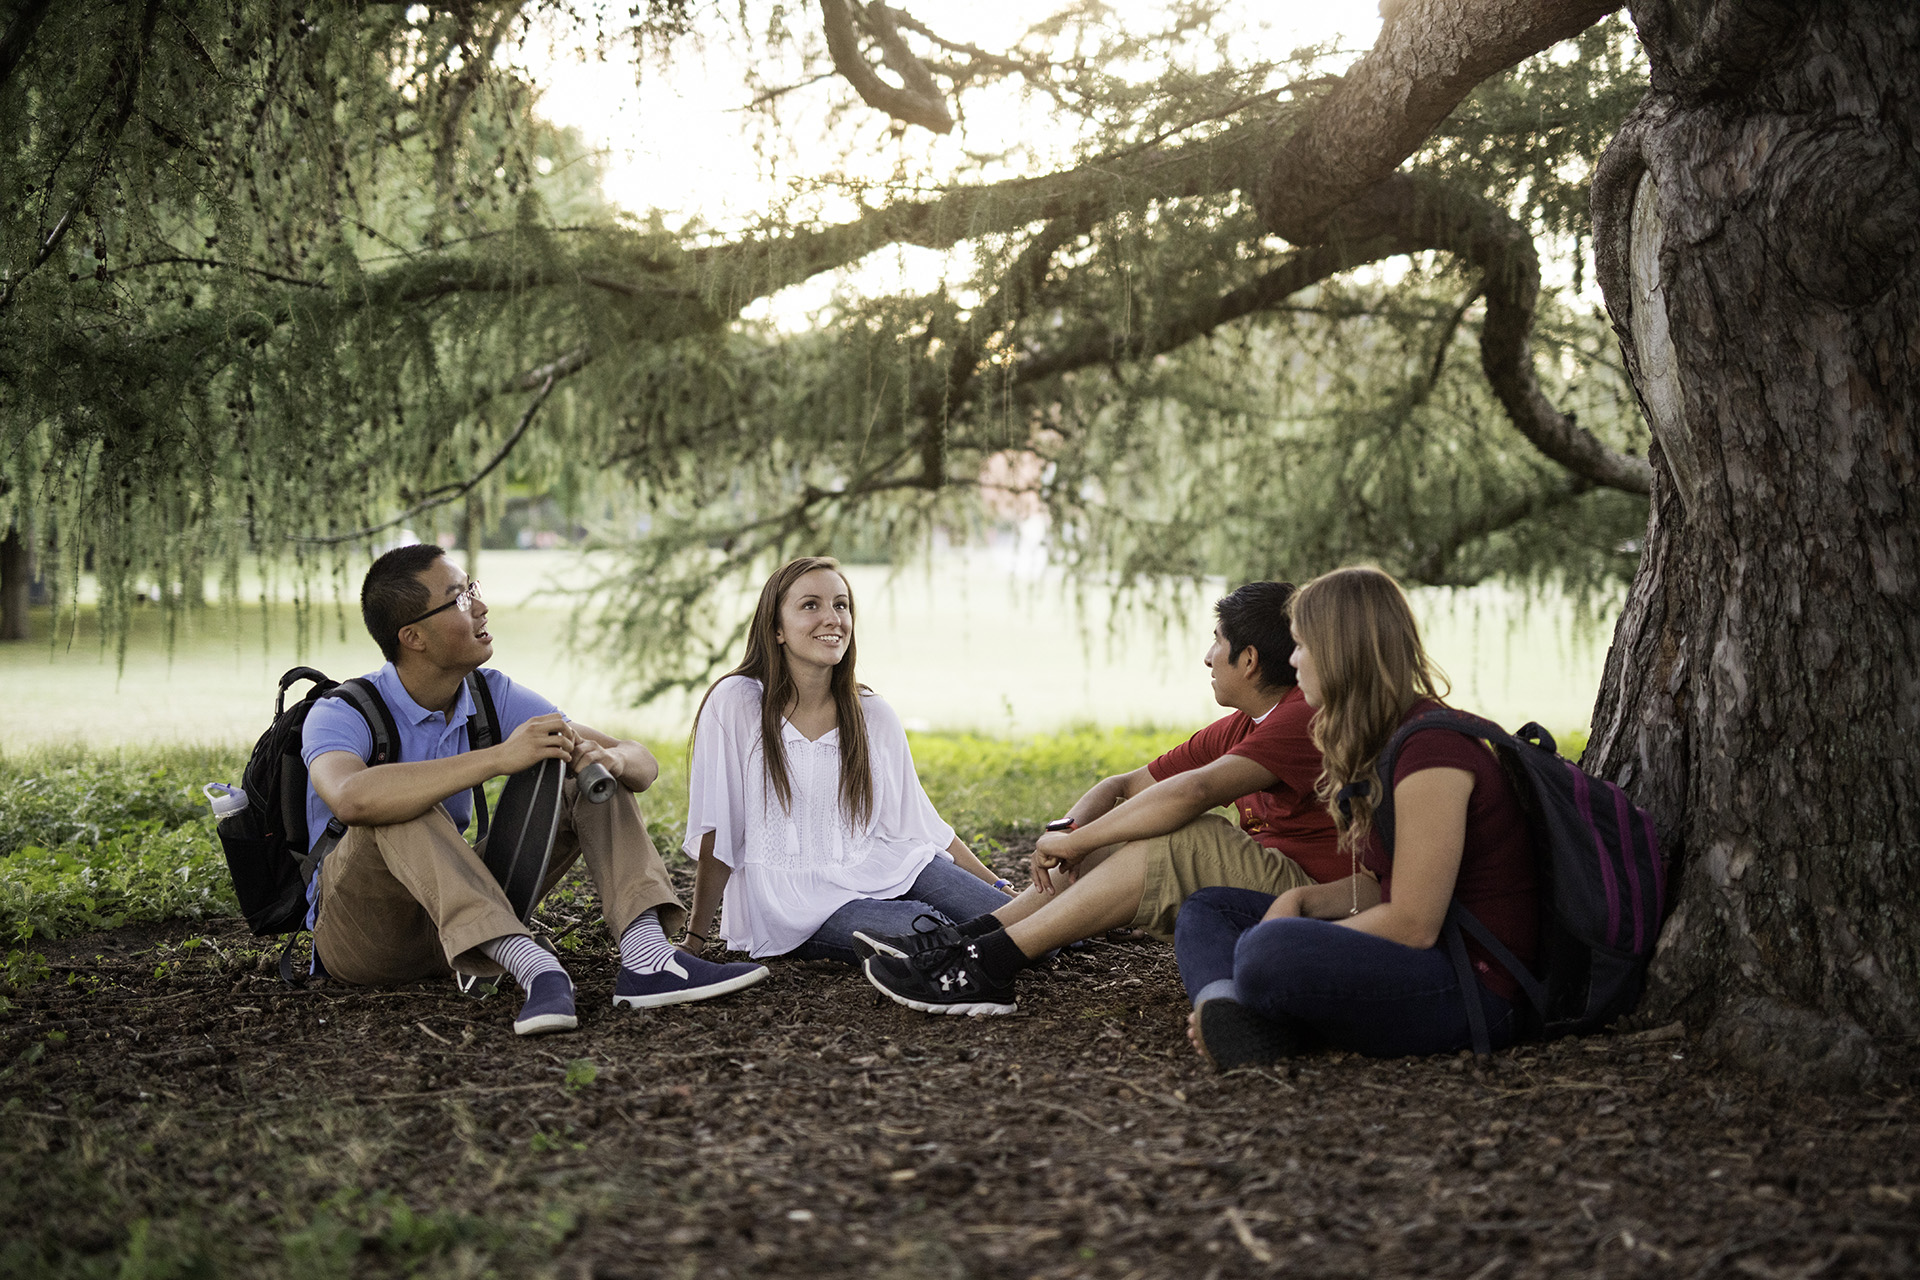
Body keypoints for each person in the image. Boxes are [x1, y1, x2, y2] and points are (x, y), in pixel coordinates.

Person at [304, 544, 767, 1038]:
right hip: (364, 939)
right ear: (412, 637)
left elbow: (642, 762)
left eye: (473, 590)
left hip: (457, 926)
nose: (481, 607)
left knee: (584, 774)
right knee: (393, 801)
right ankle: (534, 967)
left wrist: (607, 760)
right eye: (459, 599)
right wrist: (499, 758)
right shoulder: (342, 711)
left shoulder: (491, 694)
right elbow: (351, 796)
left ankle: (647, 958)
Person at [861, 580, 1340, 1016]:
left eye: (1218, 641)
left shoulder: (1300, 718)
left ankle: (989, 965)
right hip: (1276, 883)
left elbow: (1195, 791)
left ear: (1250, 660)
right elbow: (1124, 786)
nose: (1208, 656)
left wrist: (1080, 841)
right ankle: (970, 939)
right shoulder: (1246, 723)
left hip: (1322, 898)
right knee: (1129, 828)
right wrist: (1069, 833)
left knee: (1181, 838)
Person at [1174, 565, 1539, 1068]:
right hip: (1417, 958)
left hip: (1471, 989)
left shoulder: (1433, 751)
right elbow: (1377, 887)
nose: (1294, 661)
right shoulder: (1377, 741)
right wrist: (1300, 901)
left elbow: (1413, 923)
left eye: (1301, 645)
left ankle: (1252, 1009)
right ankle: (1230, 1014)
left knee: (1269, 951)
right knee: (1209, 911)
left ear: (1340, 651)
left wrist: (1283, 938)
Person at [678, 556, 1012, 966]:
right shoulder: (736, 703)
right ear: (777, 629)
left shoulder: (871, 711)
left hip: (880, 863)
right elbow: (720, 831)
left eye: (841, 605)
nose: (832, 618)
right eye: (810, 605)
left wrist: (996, 886)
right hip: (797, 902)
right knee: (930, 934)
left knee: (1025, 920)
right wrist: (694, 940)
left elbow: (921, 824)